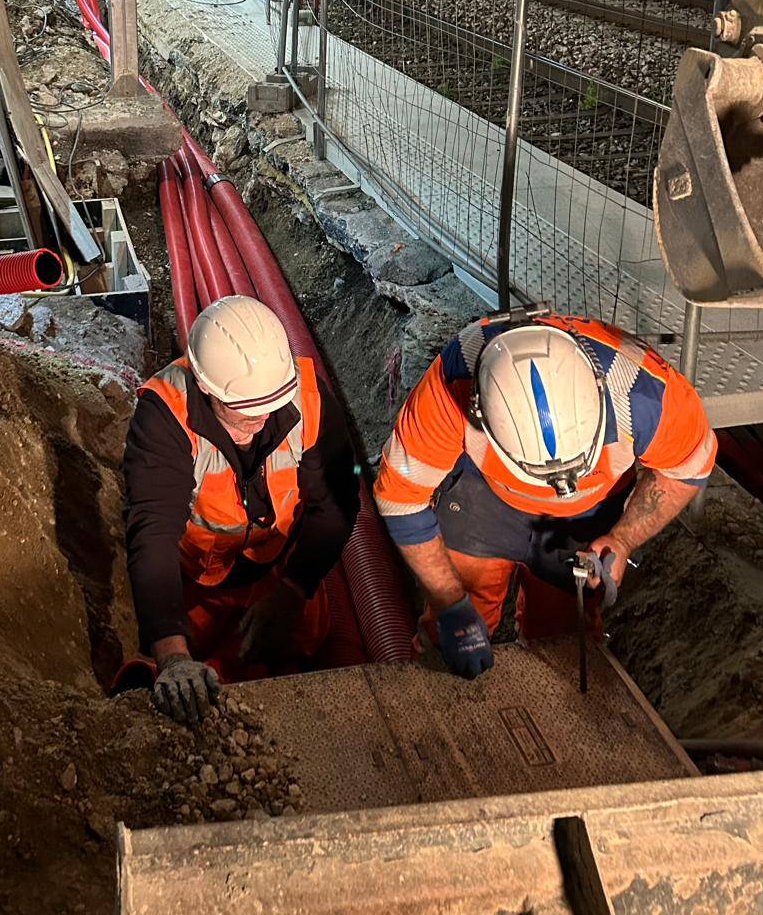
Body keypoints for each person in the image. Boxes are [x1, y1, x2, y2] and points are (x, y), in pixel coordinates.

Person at [373, 308, 715, 679]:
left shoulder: (645, 394)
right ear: (480, 413)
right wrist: (450, 603)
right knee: (447, 636)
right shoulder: (451, 383)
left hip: (587, 514)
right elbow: (400, 499)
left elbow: (685, 469)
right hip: (485, 499)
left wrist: (623, 538)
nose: (554, 489)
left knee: (564, 644)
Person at [123, 295, 357, 724]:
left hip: (282, 568)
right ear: (205, 385)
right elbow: (152, 533)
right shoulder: (164, 415)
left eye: (272, 402)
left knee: (306, 651)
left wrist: (291, 592)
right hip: (198, 583)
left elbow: (336, 501)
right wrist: (172, 656)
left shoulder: (306, 395)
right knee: (201, 681)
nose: (262, 417)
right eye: (245, 407)